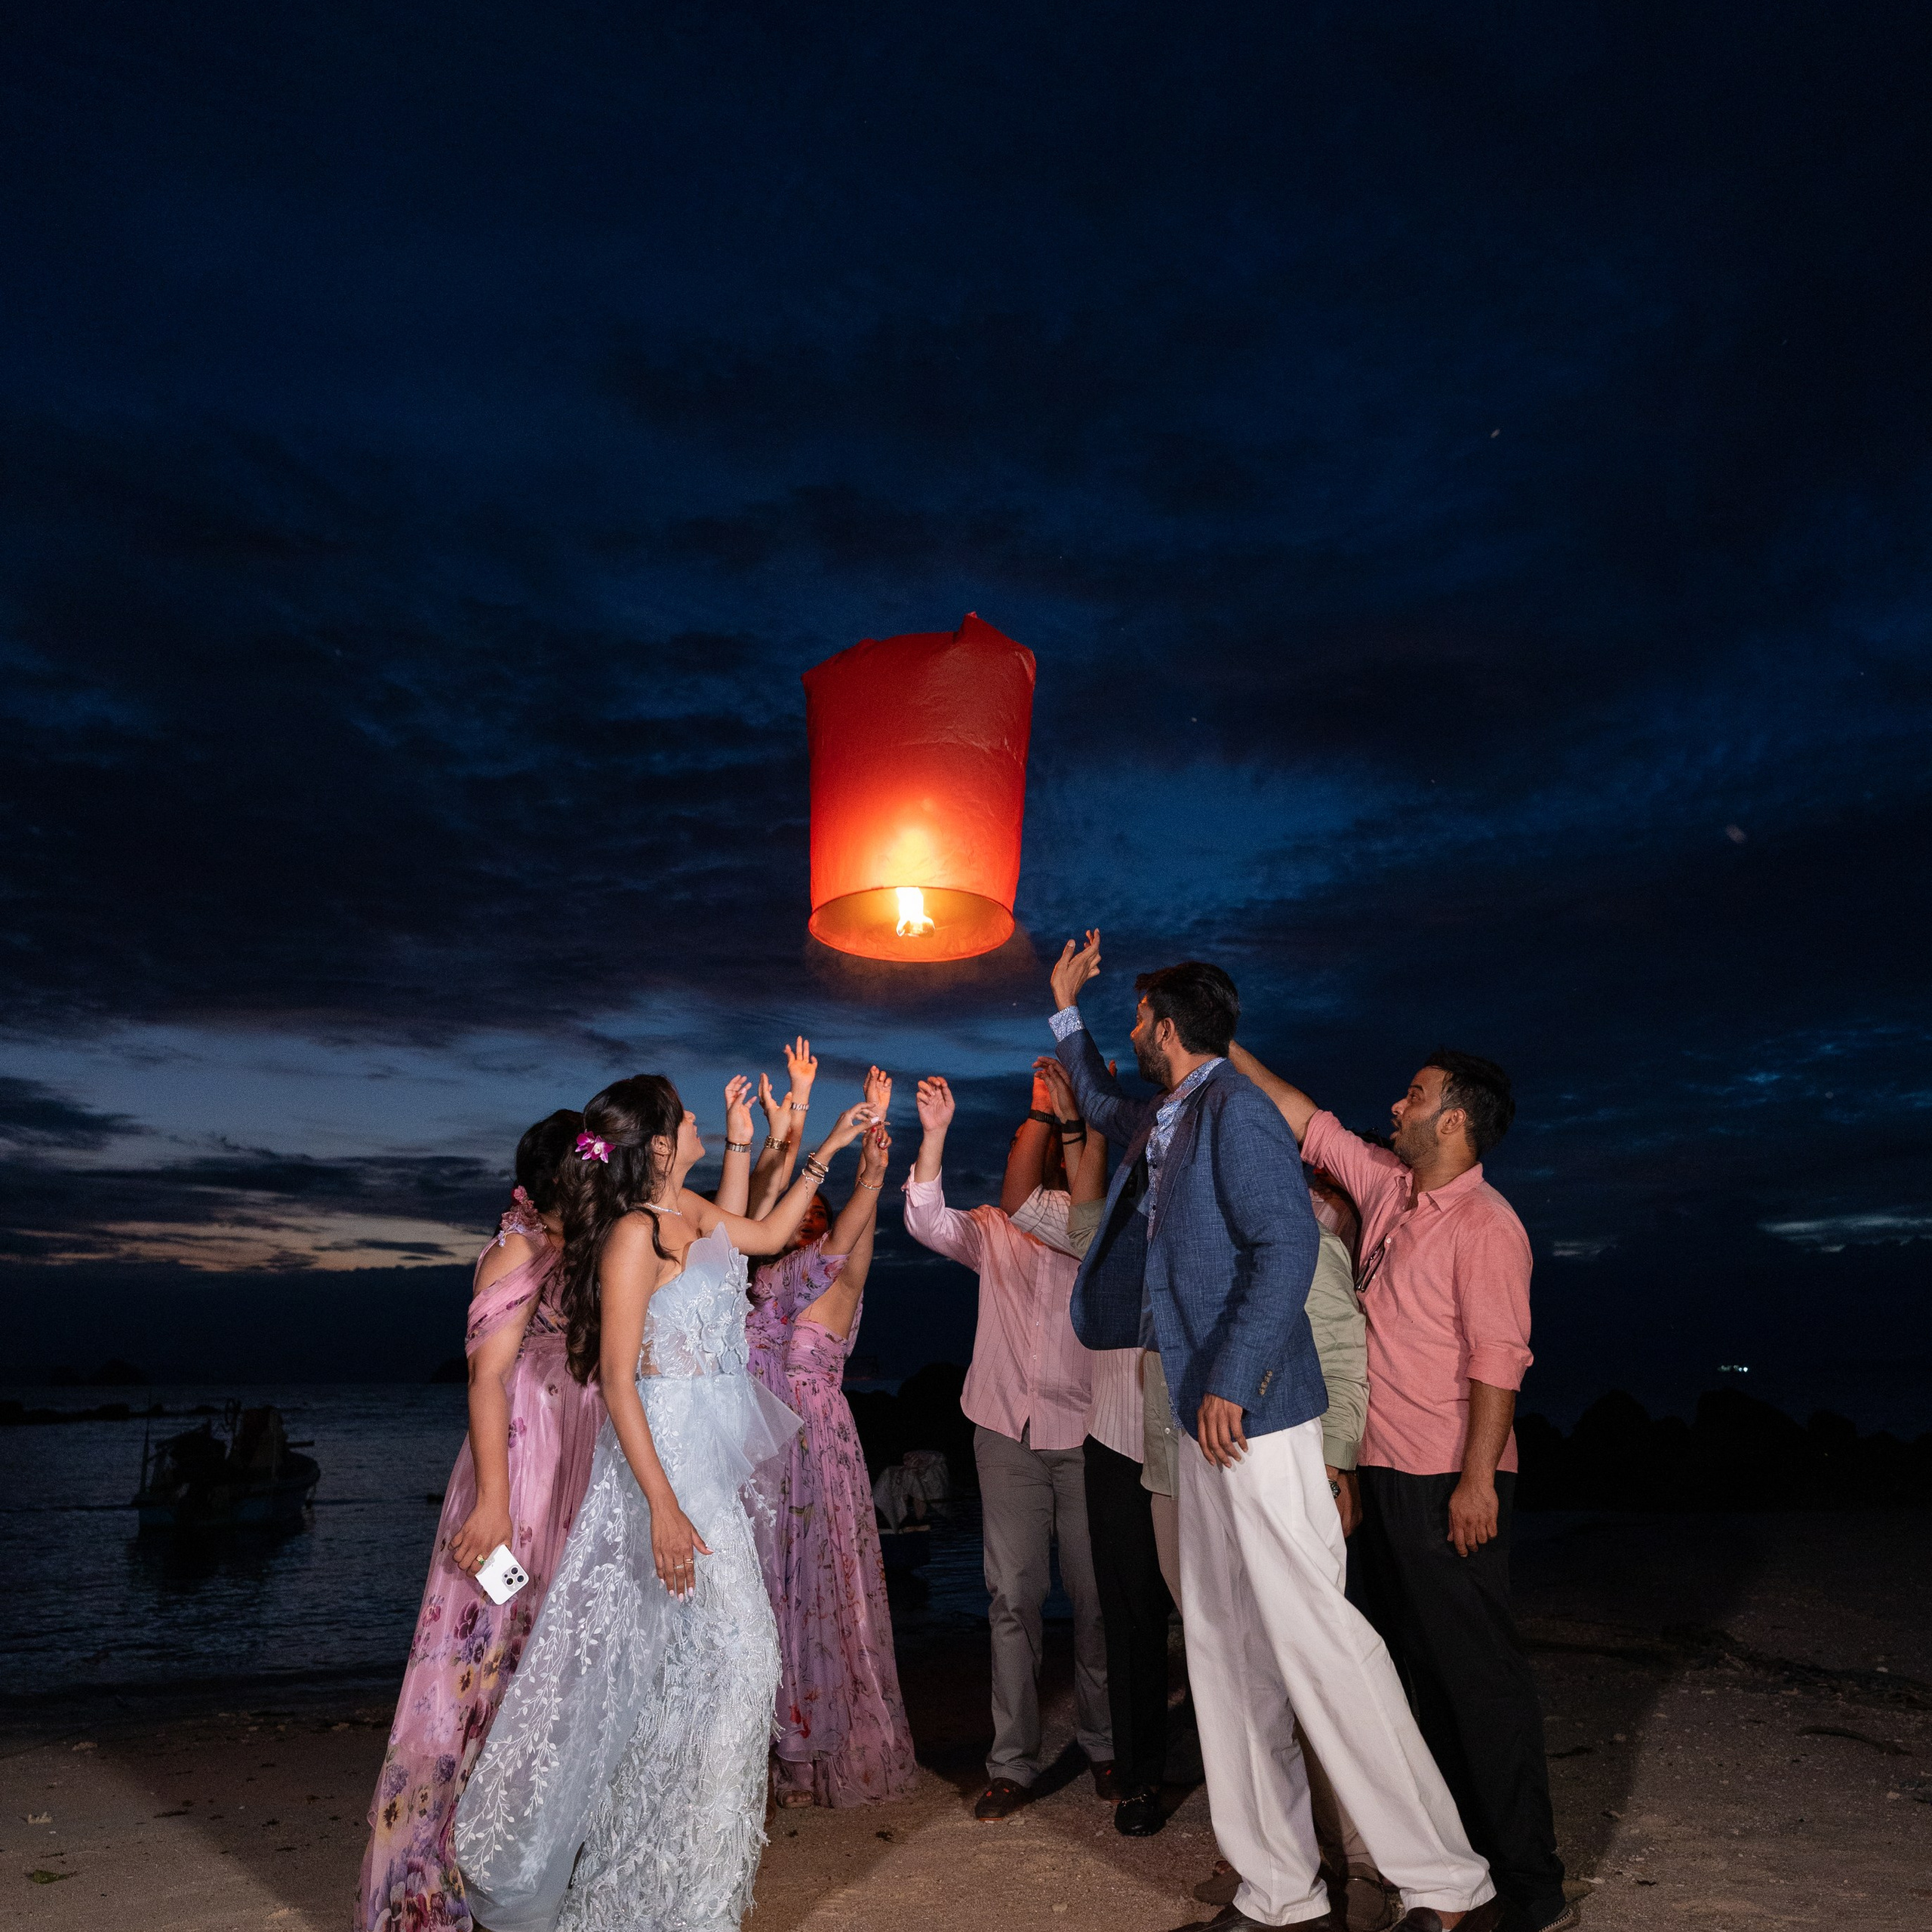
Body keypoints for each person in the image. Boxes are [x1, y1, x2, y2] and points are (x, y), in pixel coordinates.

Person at [1049, 931, 1497, 1932]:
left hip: (1258, 1416)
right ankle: (1280, 1892)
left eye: (1134, 1021)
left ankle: (1448, 1884)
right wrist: (1065, 1013)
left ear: (1167, 1030)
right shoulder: (1171, 1113)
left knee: (1320, 1639)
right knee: (1221, 1646)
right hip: (1201, 1417)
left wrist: (1237, 1380)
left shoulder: (1238, 1113)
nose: (1132, 1034)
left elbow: (1288, 1242)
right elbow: (1099, 1099)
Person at [453, 1075, 876, 1932]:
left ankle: (667, 1894)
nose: (699, 1126)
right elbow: (616, 1379)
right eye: (688, 1119)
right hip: (663, 1467)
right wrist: (661, 1505)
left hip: (708, 1464)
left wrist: (829, 1146)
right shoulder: (630, 1237)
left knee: (715, 1674)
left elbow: (764, 1231)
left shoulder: (687, 1208)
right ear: (656, 1141)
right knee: (710, 1664)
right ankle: (663, 1893)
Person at [1229, 1042, 1570, 1932]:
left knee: (1479, 1684)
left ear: (1452, 1118)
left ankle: (1532, 1892)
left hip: (1446, 1481)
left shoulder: (1486, 1223)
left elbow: (1501, 1359)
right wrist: (1217, 1037)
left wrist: (1476, 1483)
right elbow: (1308, 1119)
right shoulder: (1387, 1188)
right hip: (1378, 1472)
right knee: (1408, 1678)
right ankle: (1455, 1876)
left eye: (1413, 1094)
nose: (1396, 1102)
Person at [357, 1109, 605, 1932]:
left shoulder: (594, 1239)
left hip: (581, 1462)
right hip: (523, 1468)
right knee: (483, 1665)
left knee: (555, 1675)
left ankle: (537, 1877)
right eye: (582, 1173)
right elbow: (487, 1381)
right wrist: (492, 1503)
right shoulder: (516, 1245)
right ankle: (440, 1888)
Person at [902, 1070, 1115, 1820]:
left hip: (1090, 1433)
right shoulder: (994, 1226)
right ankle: (1012, 1763)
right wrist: (933, 1134)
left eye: (1061, 1146)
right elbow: (925, 1221)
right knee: (1011, 1598)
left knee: (1095, 1600)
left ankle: (1105, 1747)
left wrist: (1078, 1113)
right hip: (1005, 1429)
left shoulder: (1104, 1231)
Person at [746, 1069, 917, 1808]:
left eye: (812, 1211)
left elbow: (854, 1233)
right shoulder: (758, 1283)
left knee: (827, 1589)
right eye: (797, 1212)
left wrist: (872, 1172)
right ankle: (783, 1755)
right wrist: (791, 1131)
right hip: (762, 1442)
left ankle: (830, 1751)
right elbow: (751, 1211)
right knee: (774, 1594)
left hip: (817, 1440)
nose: (806, 1218)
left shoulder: (831, 1278)